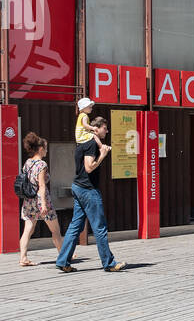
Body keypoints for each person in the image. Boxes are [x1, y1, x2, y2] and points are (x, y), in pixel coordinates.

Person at [56, 116, 125, 273]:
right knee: (99, 227)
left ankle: (63, 260)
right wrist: (103, 155)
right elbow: (89, 167)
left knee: (76, 225)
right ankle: (109, 263)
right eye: (105, 128)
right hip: (88, 190)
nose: (107, 131)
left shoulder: (82, 142)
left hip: (78, 187)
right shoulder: (93, 144)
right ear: (97, 127)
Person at [18, 131, 66, 266]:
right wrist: (44, 204)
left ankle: (23, 258)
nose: (46, 151)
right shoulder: (42, 165)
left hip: (28, 200)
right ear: (40, 149)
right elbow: (42, 186)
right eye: (45, 148)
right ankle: (63, 256)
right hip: (41, 201)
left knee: (28, 229)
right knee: (55, 230)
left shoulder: (27, 163)